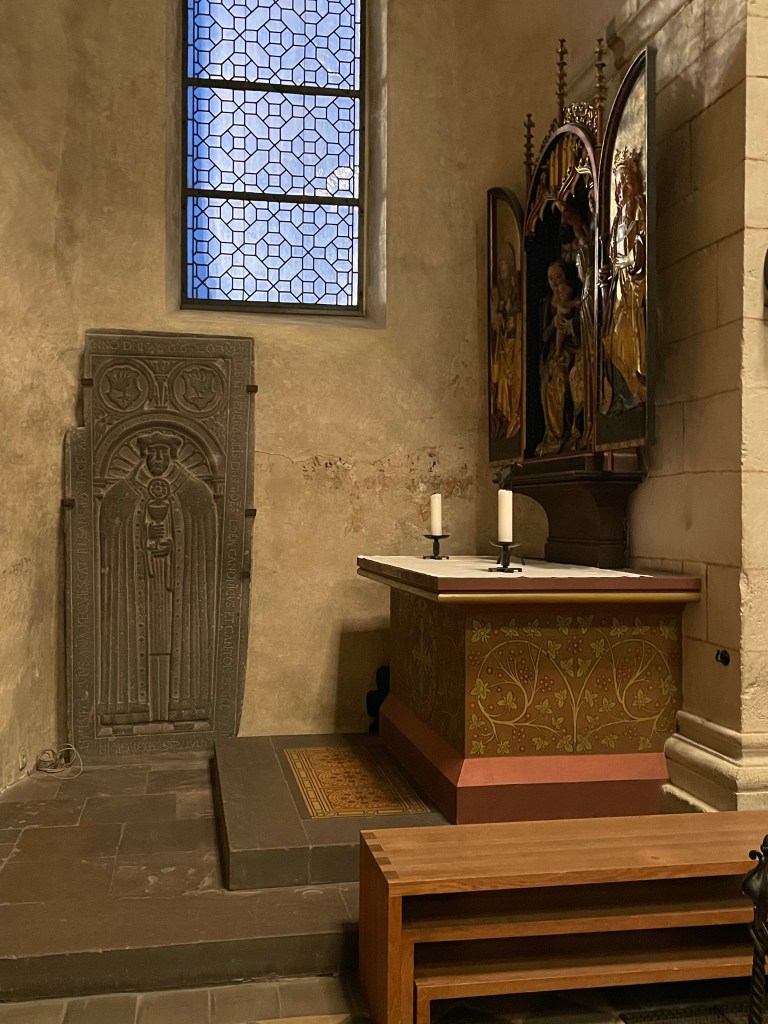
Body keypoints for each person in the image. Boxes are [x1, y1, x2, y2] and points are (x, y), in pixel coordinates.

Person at [98, 430, 218, 727]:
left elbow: (204, 547)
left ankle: (187, 708)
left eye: (163, 452)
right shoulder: (121, 494)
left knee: (175, 640)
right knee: (139, 639)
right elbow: (110, 539)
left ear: (172, 455)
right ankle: (129, 710)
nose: (157, 458)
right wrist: (142, 535)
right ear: (143, 455)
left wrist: (174, 546)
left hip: (177, 591)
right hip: (137, 590)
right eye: (152, 452)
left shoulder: (195, 493)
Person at [599, 148, 647, 413]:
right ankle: (625, 394)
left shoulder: (639, 217)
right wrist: (606, 274)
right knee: (613, 342)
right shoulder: (617, 223)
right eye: (617, 187)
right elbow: (610, 258)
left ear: (634, 186)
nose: (619, 193)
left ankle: (636, 390)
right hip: (618, 292)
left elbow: (641, 251)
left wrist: (627, 262)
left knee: (622, 338)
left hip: (633, 291)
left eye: (624, 186)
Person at [535, 259, 581, 457]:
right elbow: (543, 337)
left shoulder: (573, 295)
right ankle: (553, 436)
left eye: (558, 277)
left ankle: (567, 434)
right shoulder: (546, 305)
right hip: (554, 351)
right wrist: (554, 323)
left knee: (563, 379)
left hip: (573, 348)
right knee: (549, 383)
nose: (555, 282)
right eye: (551, 278)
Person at [490, 243, 522, 440]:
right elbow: (494, 318)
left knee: (511, 378)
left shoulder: (516, 290)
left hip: (513, 341)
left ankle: (512, 414)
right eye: (500, 266)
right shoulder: (496, 293)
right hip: (502, 343)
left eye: (506, 265)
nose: (503, 269)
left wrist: (512, 318)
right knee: (502, 379)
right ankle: (504, 415)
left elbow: (518, 311)